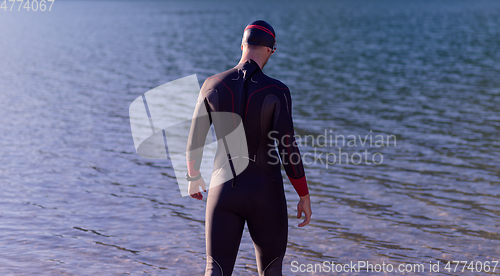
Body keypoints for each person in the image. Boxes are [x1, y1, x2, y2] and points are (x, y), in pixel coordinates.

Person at [186, 20, 312, 276]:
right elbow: (288, 149)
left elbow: (194, 140)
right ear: (271, 50)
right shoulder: (278, 91)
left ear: (242, 45)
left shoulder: (211, 84)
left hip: (223, 192)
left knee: (216, 269)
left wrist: (193, 176)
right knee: (271, 270)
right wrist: (304, 195)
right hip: (266, 194)